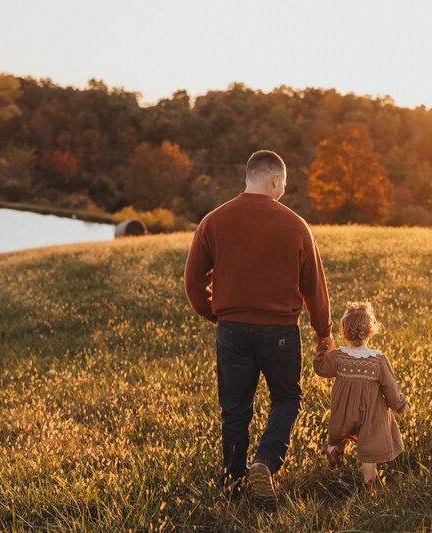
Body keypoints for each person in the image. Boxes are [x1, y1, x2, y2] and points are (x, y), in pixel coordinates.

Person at [184, 150, 334, 508]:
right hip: (280, 331)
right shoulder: (295, 224)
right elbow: (314, 285)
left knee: (235, 407)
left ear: (248, 177)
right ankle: (265, 461)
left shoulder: (214, 220)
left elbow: (192, 281)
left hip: (232, 329)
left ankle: (232, 482)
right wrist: (323, 331)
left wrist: (215, 314)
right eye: (284, 183)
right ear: (275, 181)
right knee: (286, 398)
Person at [313, 302, 410, 495]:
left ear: (343, 332)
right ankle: (370, 488)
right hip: (370, 416)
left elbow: (321, 369)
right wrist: (401, 405)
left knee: (342, 434)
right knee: (368, 453)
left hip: (344, 414)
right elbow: (391, 388)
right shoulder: (378, 361)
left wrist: (322, 351)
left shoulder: (338, 357)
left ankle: (334, 451)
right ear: (371, 332)